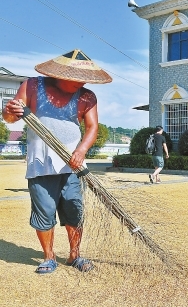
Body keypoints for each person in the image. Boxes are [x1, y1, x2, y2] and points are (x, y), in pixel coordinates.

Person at [1, 49, 112, 274]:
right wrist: (9, 111)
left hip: (73, 165)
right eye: (74, 79)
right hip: (40, 164)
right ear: (60, 73)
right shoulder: (32, 86)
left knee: (74, 208)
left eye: (83, 79)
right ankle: (49, 257)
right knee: (45, 210)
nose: (79, 83)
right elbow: (11, 117)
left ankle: (75, 255)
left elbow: (92, 127)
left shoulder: (87, 96)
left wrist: (81, 151)